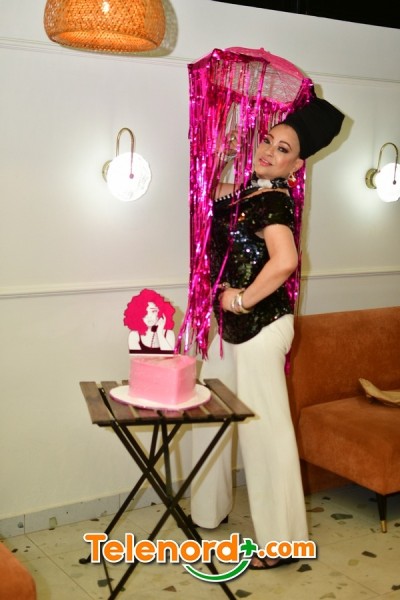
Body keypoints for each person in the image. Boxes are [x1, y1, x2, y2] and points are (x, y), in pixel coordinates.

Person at [190, 92, 345, 569]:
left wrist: (240, 299)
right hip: (229, 326)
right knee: (211, 414)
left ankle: (282, 544)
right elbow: (207, 191)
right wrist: (229, 150)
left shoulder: (274, 200)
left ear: (295, 166)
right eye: (267, 140)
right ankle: (207, 512)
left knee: (263, 432)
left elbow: (286, 262)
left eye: (283, 149)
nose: (269, 151)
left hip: (261, 326)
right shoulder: (247, 191)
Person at [123, 288, 176, 354]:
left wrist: (159, 333)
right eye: (144, 312)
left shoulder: (169, 333)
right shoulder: (134, 335)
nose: (149, 316)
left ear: (161, 312)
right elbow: (137, 359)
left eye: (153, 311)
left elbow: (170, 357)